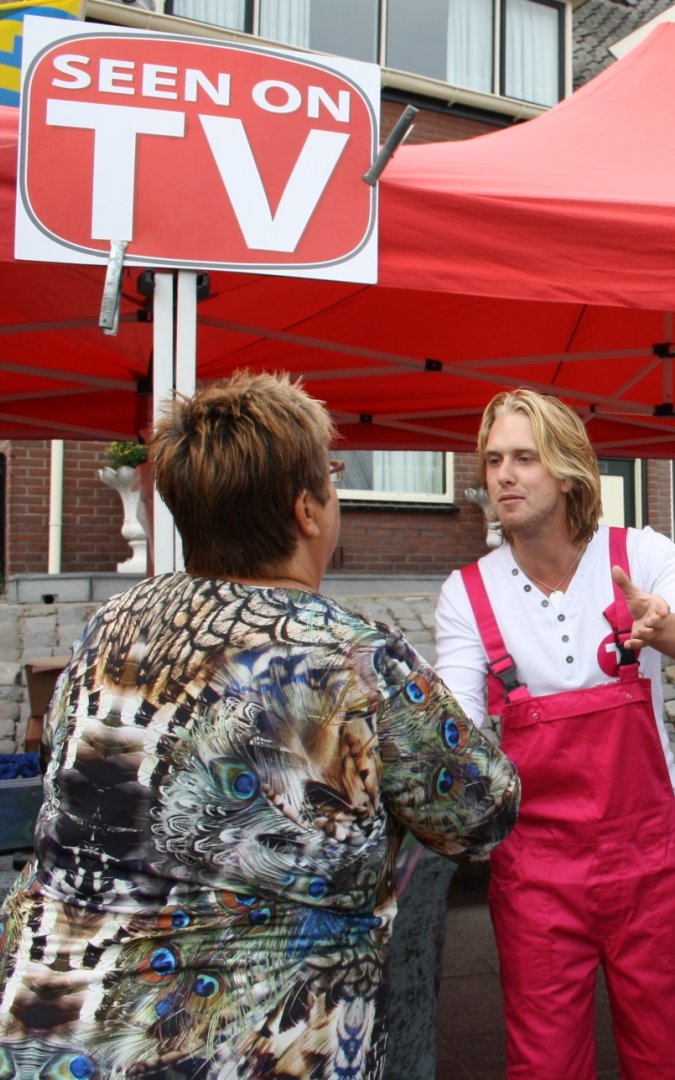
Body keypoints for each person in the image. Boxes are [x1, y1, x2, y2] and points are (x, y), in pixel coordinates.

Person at [0, 372, 520, 1077]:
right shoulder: (354, 657)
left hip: (49, 1026)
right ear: (308, 509)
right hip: (251, 1043)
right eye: (332, 478)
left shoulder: (108, 629)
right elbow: (482, 812)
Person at [434, 388, 675, 1079]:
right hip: (535, 873)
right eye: (493, 461)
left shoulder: (641, 554)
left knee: (669, 1057)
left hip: (650, 864)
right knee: (544, 1064)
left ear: (569, 469)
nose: (504, 476)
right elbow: (454, 736)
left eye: (524, 458)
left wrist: (665, 628)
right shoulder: (467, 592)